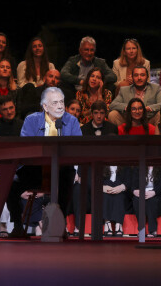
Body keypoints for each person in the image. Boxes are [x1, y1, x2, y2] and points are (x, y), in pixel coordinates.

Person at [8, 87, 82, 237]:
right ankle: (17, 225)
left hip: (61, 170)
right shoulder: (31, 120)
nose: (60, 106)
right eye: (55, 103)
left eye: (61, 102)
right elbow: (25, 149)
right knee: (10, 184)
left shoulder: (72, 121)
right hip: (34, 170)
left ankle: (60, 225)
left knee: (69, 176)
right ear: (45, 106)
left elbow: (78, 149)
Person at [72, 101, 118, 235]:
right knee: (77, 189)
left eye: (102, 113)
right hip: (88, 166)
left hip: (107, 167)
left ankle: (105, 224)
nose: (99, 116)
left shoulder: (112, 128)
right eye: (96, 113)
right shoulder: (84, 129)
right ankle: (78, 226)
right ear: (91, 114)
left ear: (106, 114)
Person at [131, 166, 161, 237]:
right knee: (137, 200)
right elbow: (133, 184)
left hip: (159, 196)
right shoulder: (138, 167)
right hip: (142, 195)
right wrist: (135, 191)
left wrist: (154, 192)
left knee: (151, 201)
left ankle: (152, 230)